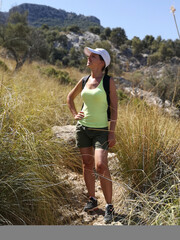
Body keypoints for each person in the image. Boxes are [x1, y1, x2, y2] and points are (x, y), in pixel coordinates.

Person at [67, 47, 118, 223]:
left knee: (101, 165)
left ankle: (109, 206)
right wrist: (75, 114)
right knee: (87, 163)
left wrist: (112, 133)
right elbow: (69, 97)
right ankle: (92, 199)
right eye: (89, 56)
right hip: (83, 128)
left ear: (102, 62)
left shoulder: (108, 81)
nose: (89, 58)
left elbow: (114, 108)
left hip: (101, 130)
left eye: (93, 56)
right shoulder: (84, 80)